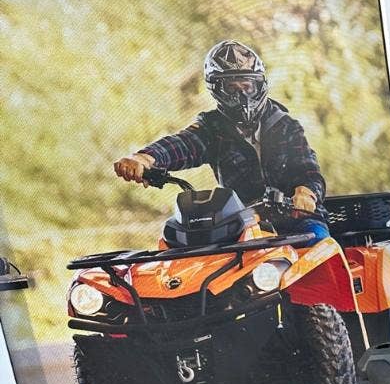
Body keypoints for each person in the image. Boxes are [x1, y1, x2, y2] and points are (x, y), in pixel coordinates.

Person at [113, 41, 329, 239]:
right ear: (216, 90)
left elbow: (308, 171)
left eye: (247, 86)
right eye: (232, 88)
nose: (242, 96)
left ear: (259, 85)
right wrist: (144, 159)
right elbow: (183, 144)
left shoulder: (286, 127)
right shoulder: (212, 128)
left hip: (297, 220)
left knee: (316, 241)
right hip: (243, 224)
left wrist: (305, 194)